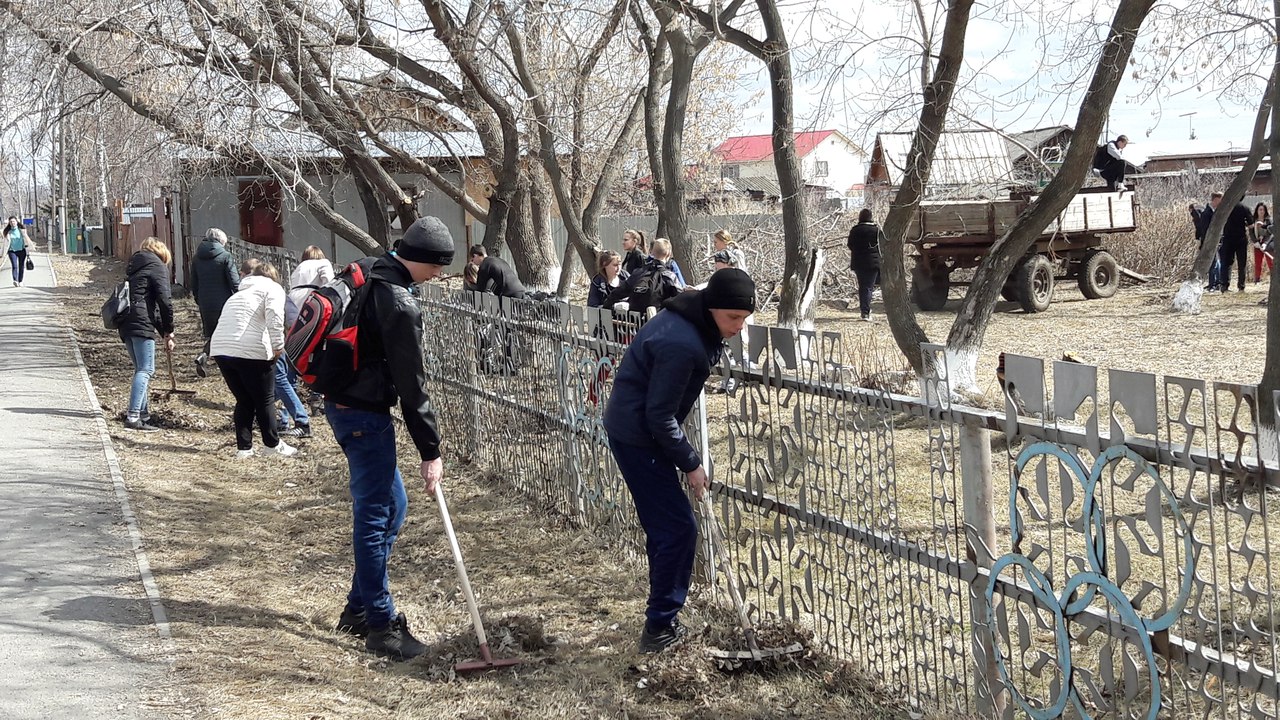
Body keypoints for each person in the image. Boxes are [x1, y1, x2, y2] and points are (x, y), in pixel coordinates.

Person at [603, 268, 756, 654]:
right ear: (712, 308)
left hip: (638, 428)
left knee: (666, 527)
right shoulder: (682, 343)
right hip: (638, 435)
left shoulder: (691, 319)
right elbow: (659, 416)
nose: (738, 326)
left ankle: (662, 619)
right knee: (678, 529)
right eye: (733, 317)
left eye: (744, 318)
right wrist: (690, 463)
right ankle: (659, 627)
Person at [328, 216, 455, 661]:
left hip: (346, 404)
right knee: (376, 514)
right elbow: (412, 384)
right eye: (436, 266)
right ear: (417, 259)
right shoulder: (399, 303)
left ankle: (358, 608)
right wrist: (430, 451)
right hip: (362, 414)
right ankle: (381, 625)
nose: (437, 275)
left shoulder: (372, 268)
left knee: (393, 507)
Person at [210, 261, 297, 459]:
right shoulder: (273, 288)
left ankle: (244, 448)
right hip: (250, 350)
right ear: (274, 278)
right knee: (264, 399)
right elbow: (275, 316)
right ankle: (272, 445)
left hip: (222, 349)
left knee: (244, 399)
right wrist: (278, 346)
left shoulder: (238, 294)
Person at [118, 237, 175, 432]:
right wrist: (169, 331)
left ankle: (143, 414)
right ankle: (133, 416)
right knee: (146, 370)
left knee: (140, 369)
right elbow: (165, 302)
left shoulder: (135, 266)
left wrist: (164, 332)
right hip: (141, 322)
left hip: (126, 321)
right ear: (162, 253)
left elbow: (149, 305)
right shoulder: (157, 266)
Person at [189, 228, 241, 377]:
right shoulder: (225, 256)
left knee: (212, 334)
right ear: (221, 242)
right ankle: (224, 364)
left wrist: (199, 300)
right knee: (225, 334)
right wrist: (240, 297)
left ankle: (205, 357)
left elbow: (194, 283)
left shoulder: (196, 258)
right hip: (224, 303)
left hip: (205, 302)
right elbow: (234, 282)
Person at [847, 209, 882, 321]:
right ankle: (865, 312)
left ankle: (865, 310)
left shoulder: (855, 230)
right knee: (868, 287)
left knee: (863, 286)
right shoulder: (876, 230)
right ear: (871, 217)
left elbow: (850, 245)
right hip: (873, 263)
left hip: (858, 262)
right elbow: (882, 246)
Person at [1218, 194, 1253, 292]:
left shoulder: (1226, 207)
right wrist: (1244, 223)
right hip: (1241, 238)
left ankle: (1224, 285)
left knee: (1226, 262)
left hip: (1228, 237)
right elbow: (1251, 225)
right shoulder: (1245, 208)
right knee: (1242, 263)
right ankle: (1241, 286)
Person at [1199, 195, 1222, 291]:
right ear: (1215, 200)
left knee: (1216, 262)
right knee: (1213, 263)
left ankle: (1216, 283)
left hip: (1215, 242)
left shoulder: (1214, 211)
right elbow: (1205, 230)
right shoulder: (1206, 213)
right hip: (1210, 242)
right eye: (1220, 201)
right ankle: (1212, 284)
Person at [1250, 202, 1274, 284]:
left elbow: (1271, 233)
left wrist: (1265, 243)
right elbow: (1251, 233)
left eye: (1263, 210)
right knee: (1258, 262)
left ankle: (1273, 278)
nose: (1261, 211)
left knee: (1270, 262)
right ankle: (1257, 280)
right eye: (1260, 209)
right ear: (1257, 210)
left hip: (1268, 244)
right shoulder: (1253, 220)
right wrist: (1255, 242)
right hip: (1257, 244)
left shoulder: (1269, 220)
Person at [5, 216, 31, 287]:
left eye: (13, 221)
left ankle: (20, 281)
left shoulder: (22, 230)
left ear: (16, 222)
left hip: (22, 250)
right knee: (14, 265)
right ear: (9, 223)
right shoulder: (8, 232)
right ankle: (15, 280)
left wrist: (29, 248)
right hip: (12, 251)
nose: (12, 223)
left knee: (21, 266)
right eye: (11, 222)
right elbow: (5, 243)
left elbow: (26, 240)